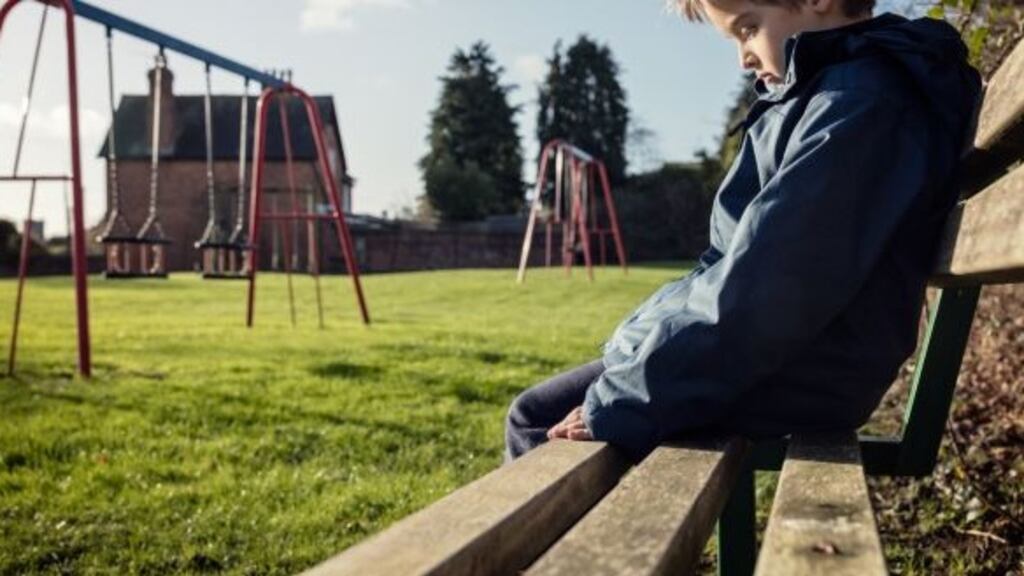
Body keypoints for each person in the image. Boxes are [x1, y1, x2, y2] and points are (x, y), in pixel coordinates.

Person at [504, 0, 983, 462]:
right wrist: (639, 347)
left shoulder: (860, 102)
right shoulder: (819, 96)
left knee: (537, 420)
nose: (743, 57)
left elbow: (773, 285)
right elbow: (735, 266)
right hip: (778, 355)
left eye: (749, 28)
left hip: (799, 366)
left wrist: (621, 401)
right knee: (549, 409)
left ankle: (588, 549)